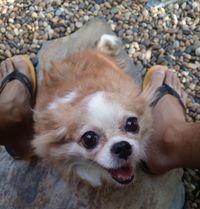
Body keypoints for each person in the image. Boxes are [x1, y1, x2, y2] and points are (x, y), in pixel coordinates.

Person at [0, 56, 200, 173]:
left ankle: (10, 118)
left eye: (131, 125)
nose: (121, 146)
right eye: (90, 139)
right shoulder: (58, 130)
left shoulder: (138, 105)